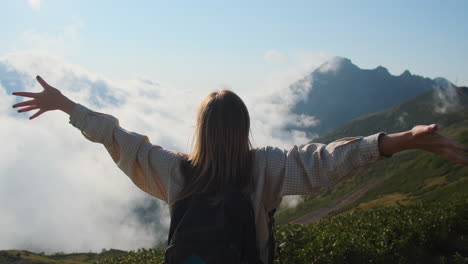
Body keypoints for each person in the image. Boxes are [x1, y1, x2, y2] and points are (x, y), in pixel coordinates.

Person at [12, 76, 468, 264]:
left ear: (201, 129)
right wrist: (404, 141)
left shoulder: (172, 172)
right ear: (244, 128)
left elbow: (117, 137)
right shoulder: (267, 168)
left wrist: (66, 105)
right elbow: (330, 160)